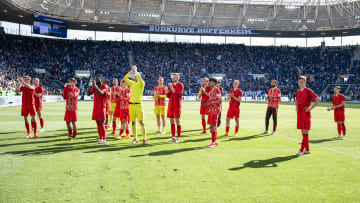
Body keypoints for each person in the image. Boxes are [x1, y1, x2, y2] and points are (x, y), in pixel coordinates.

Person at [295, 76, 320, 156]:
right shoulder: (298, 91)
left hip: (306, 115)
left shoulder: (308, 90)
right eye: (299, 82)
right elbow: (296, 99)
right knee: (303, 133)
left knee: (305, 132)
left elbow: (318, 99)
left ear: (305, 82)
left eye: (302, 82)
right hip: (299, 114)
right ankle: (307, 149)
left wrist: (311, 108)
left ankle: (301, 150)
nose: (300, 83)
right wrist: (296, 106)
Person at [123, 65, 147, 145]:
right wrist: (130, 72)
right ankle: (135, 138)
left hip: (138, 105)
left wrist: (136, 71)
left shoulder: (141, 84)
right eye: (133, 76)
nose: (134, 77)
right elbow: (125, 78)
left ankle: (144, 138)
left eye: (135, 76)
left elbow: (140, 78)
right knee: (133, 122)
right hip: (131, 105)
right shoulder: (132, 84)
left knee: (141, 122)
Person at [87, 77, 108, 146]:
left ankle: (104, 140)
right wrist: (90, 85)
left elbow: (101, 93)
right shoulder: (95, 87)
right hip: (95, 108)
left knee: (102, 124)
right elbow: (88, 94)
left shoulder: (104, 86)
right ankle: (101, 139)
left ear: (102, 80)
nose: (97, 80)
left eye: (99, 79)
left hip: (102, 108)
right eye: (96, 79)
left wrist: (95, 85)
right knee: (98, 124)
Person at [167, 73, 184, 143]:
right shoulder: (171, 85)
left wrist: (171, 88)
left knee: (177, 121)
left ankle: (178, 138)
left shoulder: (180, 85)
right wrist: (166, 91)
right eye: (173, 77)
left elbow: (177, 94)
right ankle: (173, 137)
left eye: (175, 77)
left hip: (177, 106)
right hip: (170, 105)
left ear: (178, 78)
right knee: (171, 121)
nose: (174, 78)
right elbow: (169, 96)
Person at [205, 78, 222, 147]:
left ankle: (214, 142)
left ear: (214, 83)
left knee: (213, 126)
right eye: (209, 82)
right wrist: (207, 103)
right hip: (211, 110)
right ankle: (214, 141)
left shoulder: (217, 90)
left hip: (215, 110)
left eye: (211, 82)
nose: (209, 83)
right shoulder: (211, 91)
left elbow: (219, 99)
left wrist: (211, 102)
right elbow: (210, 99)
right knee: (211, 126)